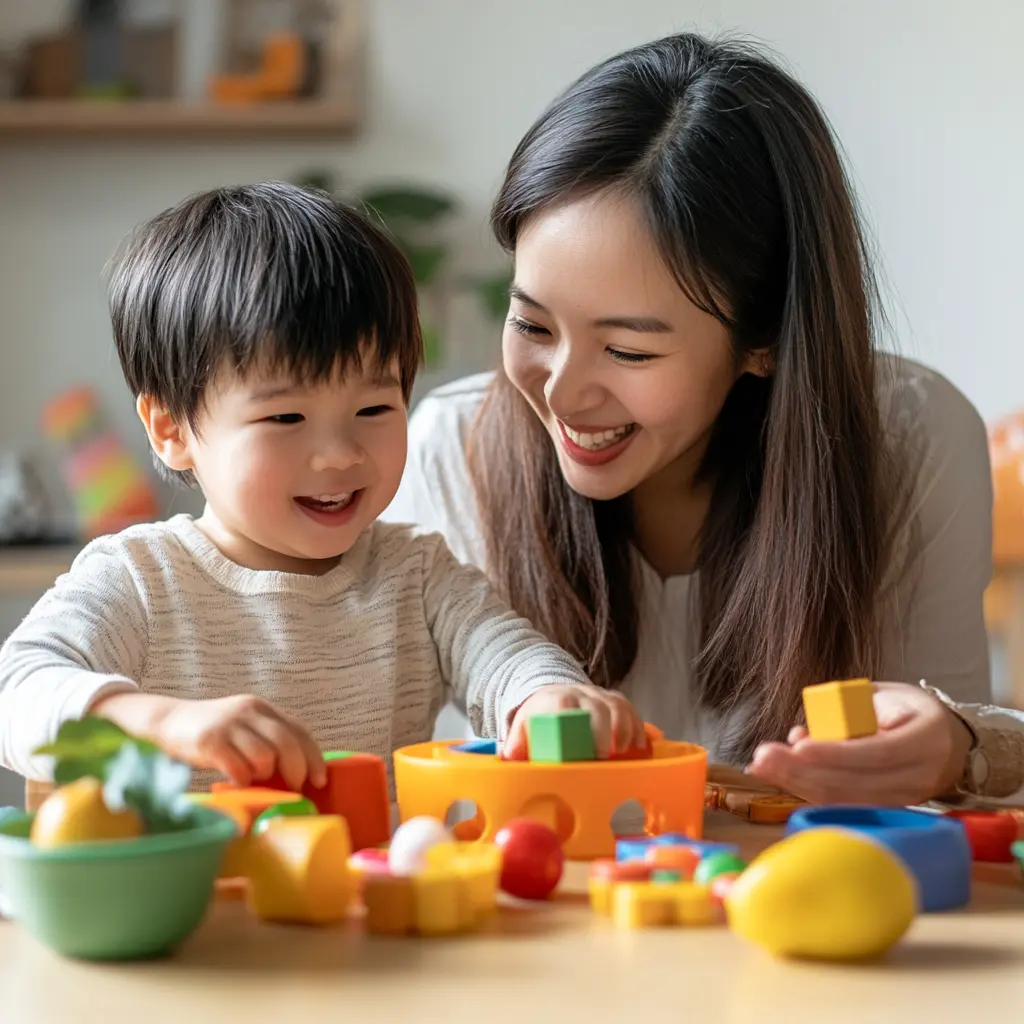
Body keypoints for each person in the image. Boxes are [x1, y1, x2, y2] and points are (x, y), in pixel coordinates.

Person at [385, 33, 1024, 807]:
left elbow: (960, 806)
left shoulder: (911, 442)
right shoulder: (452, 450)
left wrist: (960, 746)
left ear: (764, 340)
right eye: (533, 326)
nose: (561, 391)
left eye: (627, 350)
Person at [0, 182, 645, 789]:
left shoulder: (418, 575)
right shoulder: (139, 579)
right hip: (194, 904)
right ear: (172, 429)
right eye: (286, 418)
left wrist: (545, 698)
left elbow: (506, 657)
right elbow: (19, 691)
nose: (339, 456)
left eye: (373, 410)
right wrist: (160, 721)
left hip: (365, 902)